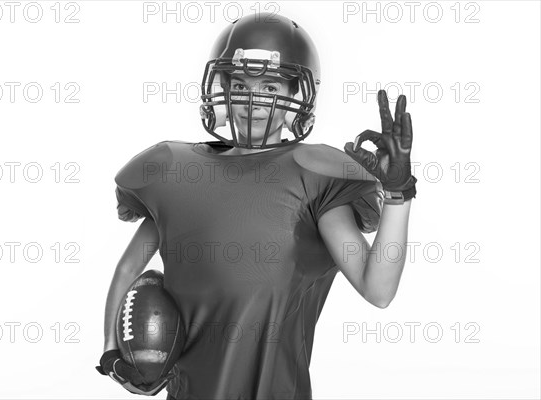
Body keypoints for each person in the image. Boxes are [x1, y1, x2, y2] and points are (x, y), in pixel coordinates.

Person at [96, 12, 417, 400]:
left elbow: (377, 288)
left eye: (269, 86)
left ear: (296, 95)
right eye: (240, 84)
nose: (253, 99)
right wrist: (113, 352)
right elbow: (130, 267)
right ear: (221, 89)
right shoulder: (176, 173)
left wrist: (399, 194)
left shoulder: (314, 176)